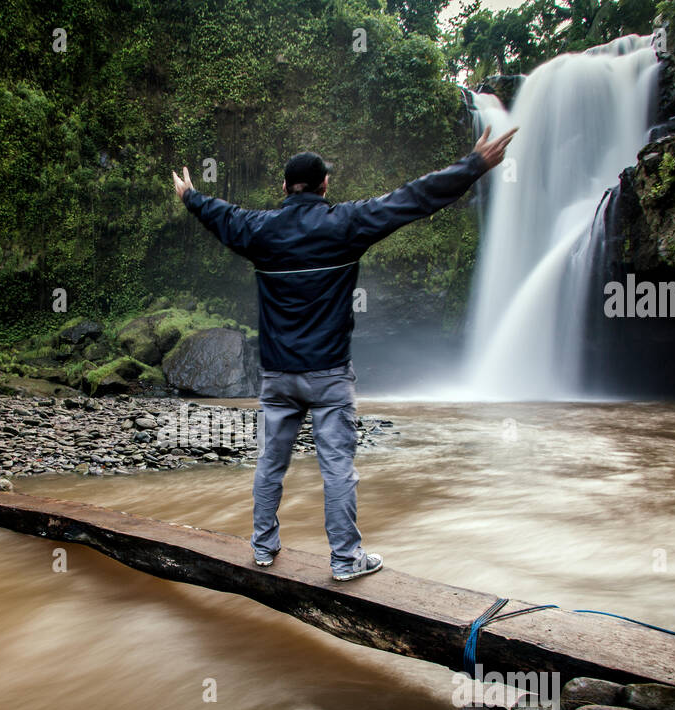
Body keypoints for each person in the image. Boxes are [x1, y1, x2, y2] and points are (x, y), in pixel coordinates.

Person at [171, 126, 517, 581]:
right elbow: (411, 199)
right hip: (330, 375)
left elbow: (222, 215)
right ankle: (344, 559)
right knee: (337, 467)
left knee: (270, 463)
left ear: (283, 188)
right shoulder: (346, 224)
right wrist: (474, 166)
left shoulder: (259, 230)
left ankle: (262, 547)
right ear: (324, 186)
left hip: (277, 375)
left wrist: (191, 196)